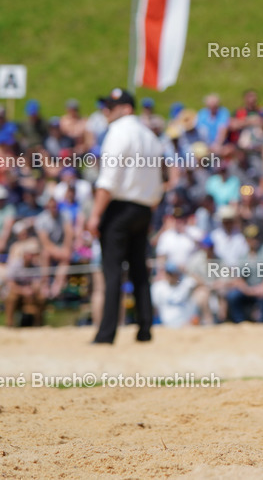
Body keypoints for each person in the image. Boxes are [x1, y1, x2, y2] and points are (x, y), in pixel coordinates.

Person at [87, 88, 165, 344]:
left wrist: (95, 214)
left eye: (112, 106)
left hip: (119, 208)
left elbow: (108, 179)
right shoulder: (151, 137)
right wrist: (149, 205)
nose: (106, 111)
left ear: (126, 108)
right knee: (139, 271)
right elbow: (159, 180)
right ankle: (145, 328)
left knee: (112, 272)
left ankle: (106, 333)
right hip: (144, 208)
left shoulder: (118, 131)